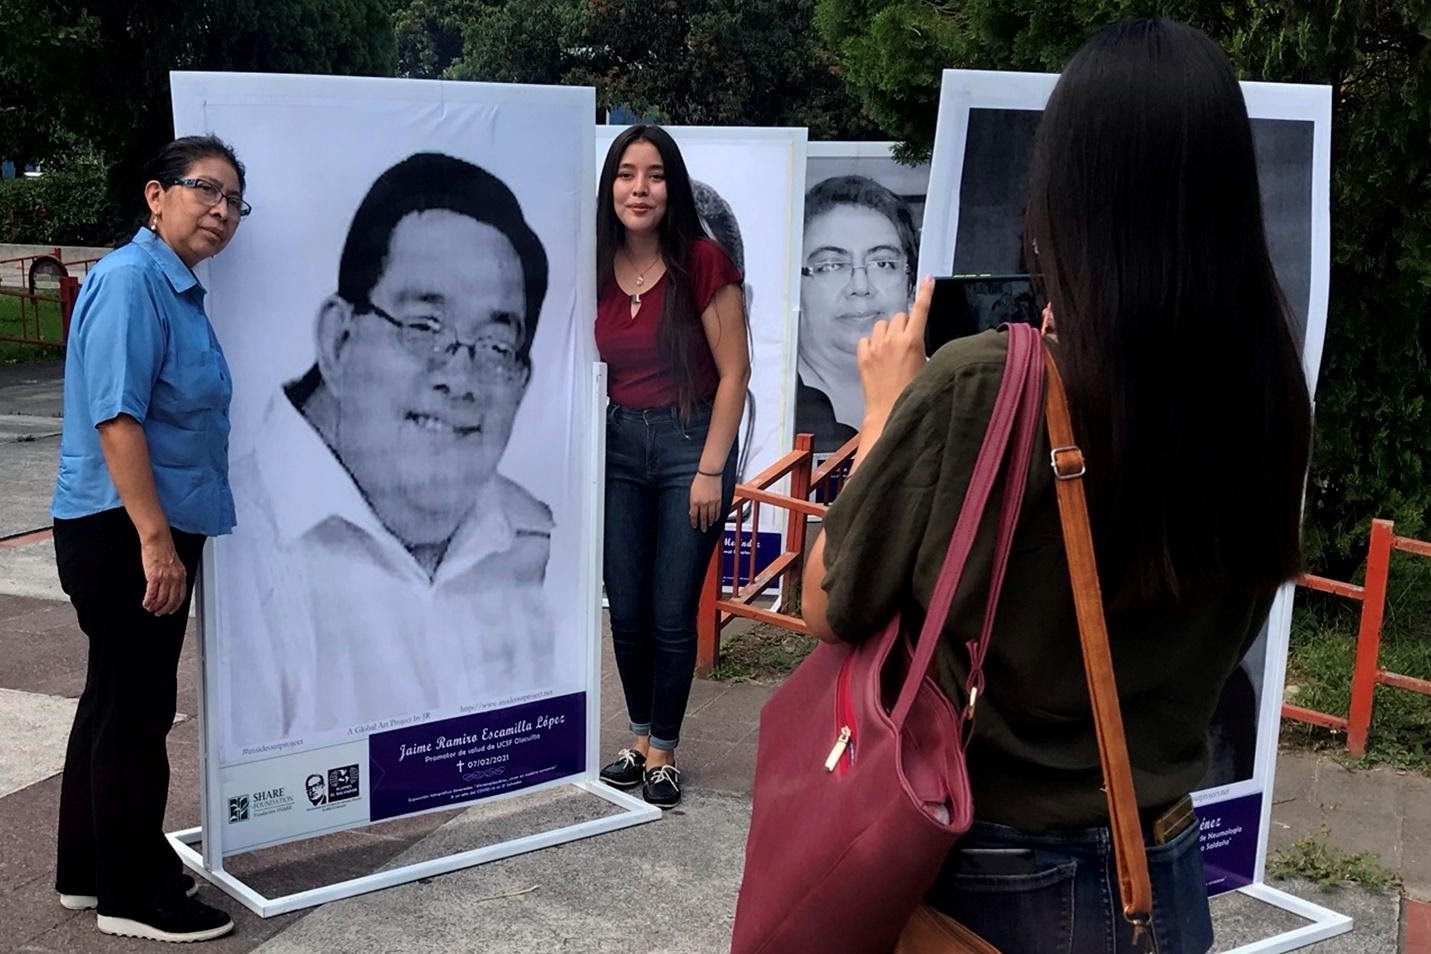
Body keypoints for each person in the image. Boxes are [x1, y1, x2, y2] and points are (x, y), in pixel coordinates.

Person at [801, 19, 1312, 953]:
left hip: (993, 870)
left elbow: (828, 602)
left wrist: (879, 417)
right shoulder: (1268, 399)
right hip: (1162, 864)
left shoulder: (983, 384)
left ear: (1067, 193)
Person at [224, 152, 555, 751]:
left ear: (523, 381)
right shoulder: (243, 544)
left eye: (496, 345)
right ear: (339, 340)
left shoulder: (531, 537)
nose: (460, 377)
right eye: (425, 327)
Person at [50, 135, 249, 943]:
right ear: (155, 195)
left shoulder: (171, 285)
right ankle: (135, 894)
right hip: (126, 531)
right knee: (139, 711)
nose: (221, 210)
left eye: (234, 200)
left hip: (134, 527)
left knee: (110, 699)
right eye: (206, 189)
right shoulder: (133, 281)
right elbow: (116, 416)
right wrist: (155, 542)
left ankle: (85, 870)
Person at [595, 125, 749, 808]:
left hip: (691, 442)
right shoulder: (595, 264)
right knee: (624, 610)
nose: (638, 188)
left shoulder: (703, 261)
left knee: (667, 611)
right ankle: (634, 738)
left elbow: (735, 372)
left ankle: (664, 750)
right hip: (617, 447)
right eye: (626, 174)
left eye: (654, 175)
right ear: (610, 187)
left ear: (672, 186)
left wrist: (711, 468)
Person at [796, 174, 918, 453]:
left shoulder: (946, 388)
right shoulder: (766, 401)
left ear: (910, 282)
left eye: (883, 263)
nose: (861, 286)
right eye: (831, 265)